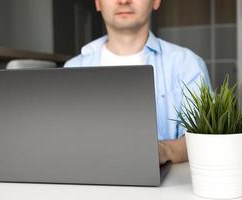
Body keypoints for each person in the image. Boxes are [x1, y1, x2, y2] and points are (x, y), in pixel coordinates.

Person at [64, 0, 211, 164]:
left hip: (166, 187)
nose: (123, 1)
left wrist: (164, 151)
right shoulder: (72, 68)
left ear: (155, 2)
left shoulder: (187, 64)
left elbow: (203, 142)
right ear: (98, 3)